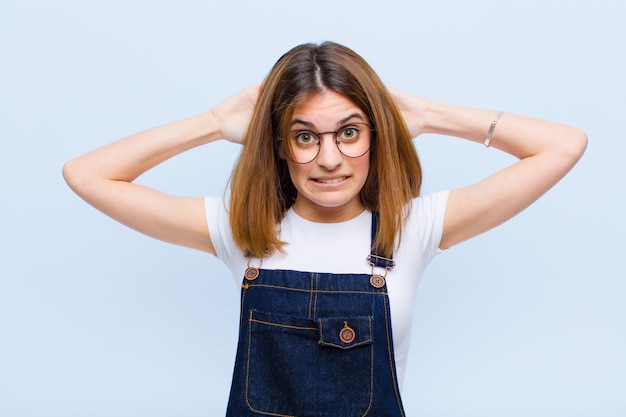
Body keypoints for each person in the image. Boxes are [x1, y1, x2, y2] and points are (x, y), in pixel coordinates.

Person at [63, 41, 587, 416]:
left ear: (377, 136)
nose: (330, 159)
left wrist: (429, 114)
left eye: (350, 132)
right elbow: (85, 174)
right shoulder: (242, 230)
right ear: (277, 145)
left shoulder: (414, 227)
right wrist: (214, 121)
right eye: (305, 136)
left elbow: (564, 145)